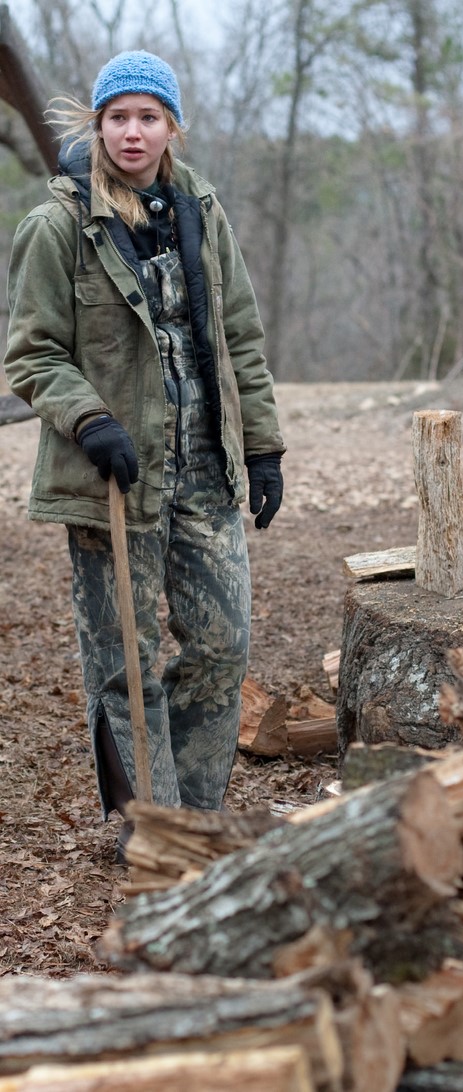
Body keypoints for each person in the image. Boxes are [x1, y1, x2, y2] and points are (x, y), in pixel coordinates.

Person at [3, 50, 285, 855]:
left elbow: (240, 337)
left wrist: (261, 449)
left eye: (148, 116)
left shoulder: (202, 209)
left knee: (223, 646)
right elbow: (31, 355)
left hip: (204, 469)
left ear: (171, 127)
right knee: (124, 660)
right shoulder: (58, 225)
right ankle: (151, 827)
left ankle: (197, 817)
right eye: (118, 117)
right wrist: (89, 419)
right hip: (112, 478)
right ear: (97, 125)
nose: (133, 131)